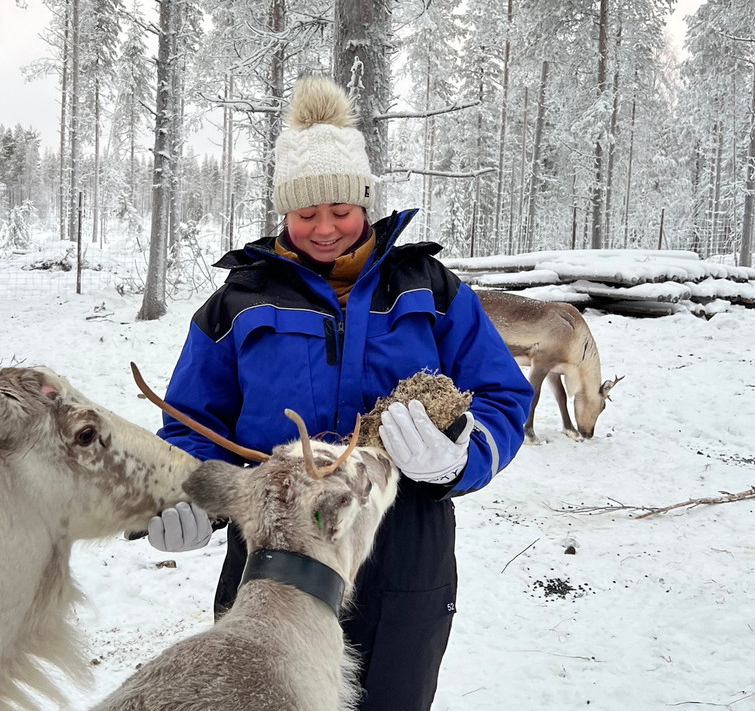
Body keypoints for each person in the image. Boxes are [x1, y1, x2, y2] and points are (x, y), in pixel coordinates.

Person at [146, 75, 533, 711]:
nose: (325, 229)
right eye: (306, 214)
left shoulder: (428, 287)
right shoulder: (239, 301)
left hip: (401, 545)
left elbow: (501, 395)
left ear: (365, 203)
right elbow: (188, 423)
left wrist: (460, 461)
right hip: (272, 554)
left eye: (341, 211)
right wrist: (181, 500)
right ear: (283, 212)